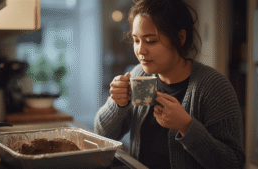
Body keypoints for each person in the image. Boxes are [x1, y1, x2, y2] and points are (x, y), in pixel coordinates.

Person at [94, 0, 246, 168]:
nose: (140, 51)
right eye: (136, 40)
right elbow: (101, 135)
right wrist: (117, 104)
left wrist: (186, 126)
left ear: (180, 38)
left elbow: (234, 163)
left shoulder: (213, 87)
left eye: (150, 41)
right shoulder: (140, 76)